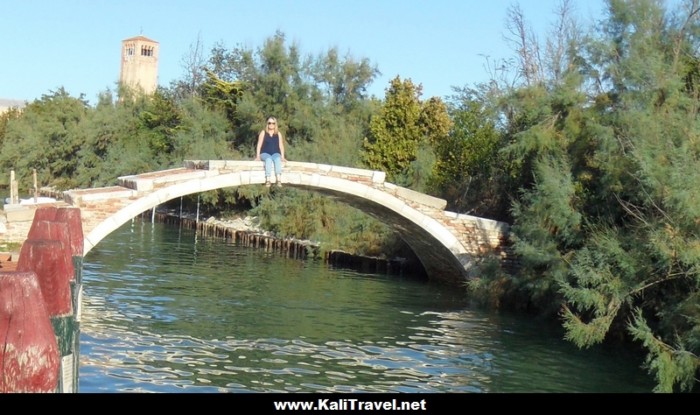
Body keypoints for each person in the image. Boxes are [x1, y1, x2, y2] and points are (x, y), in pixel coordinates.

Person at [255, 116, 287, 187]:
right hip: (265, 153)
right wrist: (258, 156)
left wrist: (282, 156)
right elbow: (259, 145)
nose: (271, 125)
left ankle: (278, 179)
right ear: (267, 124)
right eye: (269, 123)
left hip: (275, 153)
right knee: (268, 159)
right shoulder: (263, 133)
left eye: (273, 123)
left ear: (275, 124)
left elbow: (281, 146)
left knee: (277, 159)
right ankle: (268, 179)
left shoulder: (278, 134)